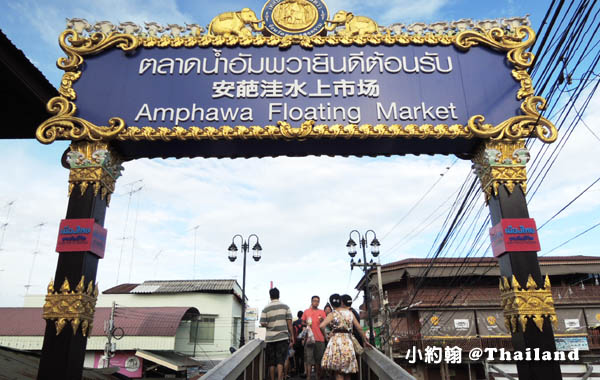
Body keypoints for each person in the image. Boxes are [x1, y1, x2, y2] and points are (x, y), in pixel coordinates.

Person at [320, 294, 372, 380]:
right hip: (348, 341)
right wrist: (365, 341)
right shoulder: (350, 313)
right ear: (340, 302)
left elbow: (321, 326)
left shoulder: (332, 314)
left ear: (331, 304)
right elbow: (359, 328)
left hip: (336, 342)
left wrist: (325, 336)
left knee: (338, 371)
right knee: (348, 371)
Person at [260, 288, 295, 380]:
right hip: (282, 337)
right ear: (279, 295)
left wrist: (270, 324)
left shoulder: (266, 308)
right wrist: (292, 336)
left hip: (270, 338)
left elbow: (262, 323)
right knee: (280, 360)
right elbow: (289, 323)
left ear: (270, 296)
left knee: (271, 362)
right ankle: (280, 378)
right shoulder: (285, 307)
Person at [302, 295, 327, 380]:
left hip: (320, 339)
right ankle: (308, 377)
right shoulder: (306, 312)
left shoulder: (322, 312)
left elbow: (325, 325)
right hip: (309, 339)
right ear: (311, 301)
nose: (316, 302)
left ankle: (317, 377)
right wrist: (306, 325)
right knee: (309, 360)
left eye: (317, 301)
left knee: (318, 360)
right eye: (314, 301)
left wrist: (322, 321)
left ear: (319, 302)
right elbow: (302, 324)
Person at [292, 311, 305, 377]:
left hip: (296, 342)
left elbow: (293, 333)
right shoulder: (303, 323)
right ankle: (301, 370)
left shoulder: (294, 323)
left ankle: (296, 369)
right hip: (302, 341)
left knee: (296, 357)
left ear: (297, 315)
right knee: (302, 357)